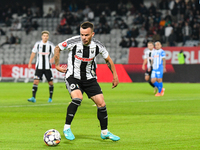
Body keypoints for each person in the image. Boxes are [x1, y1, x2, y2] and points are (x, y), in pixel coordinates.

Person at [54, 21, 120, 141]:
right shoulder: (73, 42)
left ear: (92, 34)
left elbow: (108, 60)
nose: (84, 37)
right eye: (82, 34)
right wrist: (57, 65)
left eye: (86, 35)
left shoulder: (98, 46)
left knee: (101, 103)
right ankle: (66, 128)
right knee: (78, 98)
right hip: (73, 76)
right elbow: (57, 48)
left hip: (89, 78)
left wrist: (115, 76)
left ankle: (104, 132)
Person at [27, 31, 55, 103]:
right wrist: (30, 63)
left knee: (50, 83)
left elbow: (56, 53)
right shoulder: (38, 44)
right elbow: (33, 53)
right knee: (36, 81)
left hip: (47, 67)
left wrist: (53, 58)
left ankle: (50, 98)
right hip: (39, 67)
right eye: (44, 36)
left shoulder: (51, 45)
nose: (45, 37)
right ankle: (33, 97)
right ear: (42, 36)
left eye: (46, 36)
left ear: (48, 37)